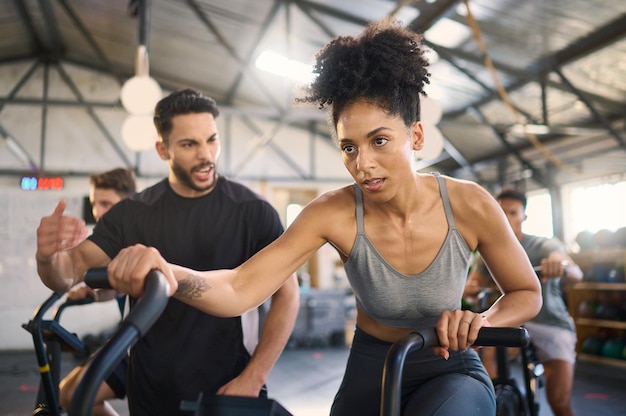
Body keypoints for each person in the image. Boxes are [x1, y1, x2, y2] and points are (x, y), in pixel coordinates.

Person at [98, 19, 542, 416]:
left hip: (449, 365)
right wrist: (168, 272)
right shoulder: (332, 211)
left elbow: (526, 292)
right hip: (373, 364)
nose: (362, 163)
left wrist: (481, 322)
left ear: (417, 135)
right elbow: (238, 288)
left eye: (380, 141)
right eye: (349, 147)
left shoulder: (469, 204)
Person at [35, 89, 300, 415]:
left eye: (212, 140)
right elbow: (68, 271)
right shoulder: (132, 213)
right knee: (74, 395)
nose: (207, 155)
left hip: (227, 384)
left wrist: (254, 378)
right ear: (163, 149)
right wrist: (49, 258)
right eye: (189, 144)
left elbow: (287, 295)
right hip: (150, 388)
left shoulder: (252, 211)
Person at [464, 187, 583, 416]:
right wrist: (471, 287)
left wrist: (560, 264)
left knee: (559, 402)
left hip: (551, 323)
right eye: (501, 212)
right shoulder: (487, 251)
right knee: (485, 349)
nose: (506, 218)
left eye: (513, 212)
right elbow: (472, 286)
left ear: (523, 216)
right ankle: (496, 400)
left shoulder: (543, 245)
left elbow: (575, 272)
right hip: (513, 322)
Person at [58, 167, 136, 416]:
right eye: (94, 203)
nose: (98, 212)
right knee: (65, 393)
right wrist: (94, 293)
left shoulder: (140, 241)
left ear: (129, 204)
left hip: (145, 343)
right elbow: (119, 289)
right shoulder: (111, 244)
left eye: (106, 203)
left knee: (80, 396)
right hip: (126, 340)